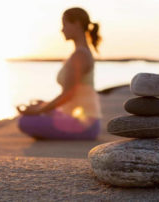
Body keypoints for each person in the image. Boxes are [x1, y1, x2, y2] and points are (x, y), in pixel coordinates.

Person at [16, 7, 102, 140]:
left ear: (77, 24)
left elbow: (68, 94)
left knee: (24, 121)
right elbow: (71, 95)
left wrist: (39, 111)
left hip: (84, 124)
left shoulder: (80, 55)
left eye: (64, 24)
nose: (62, 29)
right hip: (77, 118)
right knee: (36, 110)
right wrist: (44, 105)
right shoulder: (80, 52)